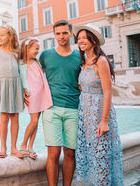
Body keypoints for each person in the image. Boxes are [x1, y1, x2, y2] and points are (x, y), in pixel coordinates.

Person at [73, 23, 124, 185]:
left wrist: (104, 120)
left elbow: (107, 92)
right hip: (85, 116)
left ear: (93, 41)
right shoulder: (84, 64)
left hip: (99, 115)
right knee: (92, 155)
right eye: (79, 38)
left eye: (84, 38)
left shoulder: (101, 61)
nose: (80, 41)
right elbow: (84, 87)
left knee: (101, 157)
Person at [39, 20, 81, 186]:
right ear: (54, 35)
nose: (61, 36)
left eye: (65, 33)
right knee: (54, 152)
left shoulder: (79, 56)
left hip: (73, 109)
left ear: (71, 33)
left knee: (70, 153)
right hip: (51, 109)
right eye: (58, 33)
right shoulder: (46, 55)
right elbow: (35, 75)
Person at [0, 26, 25, 159]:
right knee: (4, 117)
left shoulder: (16, 53)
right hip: (3, 86)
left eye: (2, 35)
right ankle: (3, 147)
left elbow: (22, 71)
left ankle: (14, 148)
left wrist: (24, 89)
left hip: (15, 85)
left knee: (15, 117)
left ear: (10, 36)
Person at [18, 37, 53, 160]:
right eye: (36, 48)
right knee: (33, 120)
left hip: (40, 94)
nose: (38, 51)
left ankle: (30, 147)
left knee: (36, 121)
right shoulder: (22, 64)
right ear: (27, 49)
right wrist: (23, 92)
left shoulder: (36, 62)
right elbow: (21, 81)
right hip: (32, 95)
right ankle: (23, 144)